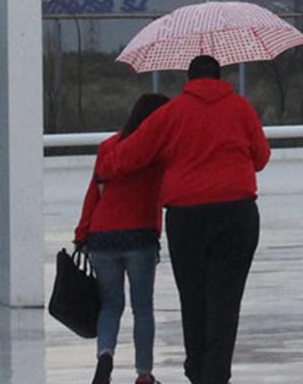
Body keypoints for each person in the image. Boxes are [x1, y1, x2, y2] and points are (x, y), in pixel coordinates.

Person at [99, 55, 270, 384]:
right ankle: (215, 375)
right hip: (237, 214)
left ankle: (197, 370)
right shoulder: (241, 108)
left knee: (193, 297)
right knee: (225, 299)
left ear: (188, 81)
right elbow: (261, 158)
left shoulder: (172, 113)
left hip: (187, 218)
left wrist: (104, 166)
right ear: (220, 79)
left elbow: (132, 152)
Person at [75, 92, 169, 384]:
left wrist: (82, 233)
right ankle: (144, 373)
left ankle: (105, 356)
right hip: (140, 235)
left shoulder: (108, 147)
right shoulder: (158, 154)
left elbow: (93, 194)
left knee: (110, 305)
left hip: (102, 237)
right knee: (143, 308)